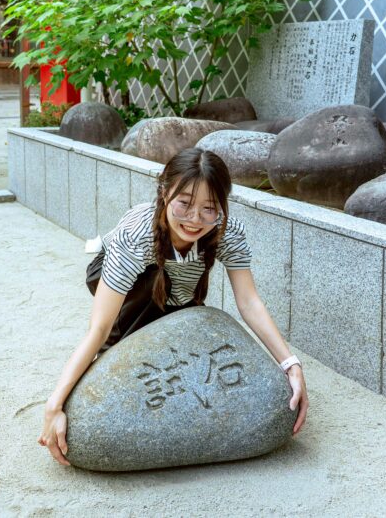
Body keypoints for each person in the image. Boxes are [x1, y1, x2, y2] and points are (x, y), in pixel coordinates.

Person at [38, 147, 309, 466]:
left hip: (177, 291)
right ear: (164, 193)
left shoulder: (226, 231)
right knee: (145, 299)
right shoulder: (135, 236)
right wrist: (55, 404)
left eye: (209, 207)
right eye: (184, 204)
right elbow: (98, 328)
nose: (195, 219)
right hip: (124, 281)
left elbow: (249, 301)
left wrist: (290, 363)